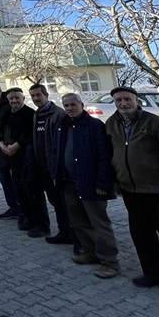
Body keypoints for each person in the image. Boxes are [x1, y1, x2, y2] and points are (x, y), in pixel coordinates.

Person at [106, 86, 159, 303]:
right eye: (118, 100)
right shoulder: (111, 124)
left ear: (136, 100)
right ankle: (154, 274)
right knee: (142, 236)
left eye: (127, 99)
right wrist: (115, 180)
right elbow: (110, 154)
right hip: (130, 191)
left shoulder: (156, 123)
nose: (123, 103)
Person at [52, 93, 120, 279]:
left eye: (73, 104)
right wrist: (56, 174)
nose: (69, 108)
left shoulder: (94, 125)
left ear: (81, 105)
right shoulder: (62, 125)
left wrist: (103, 183)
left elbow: (104, 156)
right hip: (68, 183)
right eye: (66, 105)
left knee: (99, 223)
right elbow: (56, 151)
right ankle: (91, 252)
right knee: (79, 222)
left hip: (90, 183)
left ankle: (110, 262)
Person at [28, 84, 76, 247]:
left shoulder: (58, 114)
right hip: (41, 165)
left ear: (46, 94)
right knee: (53, 200)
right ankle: (54, 229)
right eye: (33, 95)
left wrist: (57, 167)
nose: (36, 98)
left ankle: (67, 233)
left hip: (53, 167)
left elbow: (59, 144)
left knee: (60, 202)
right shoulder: (37, 114)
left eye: (38, 95)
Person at [0, 88, 46, 235]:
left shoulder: (29, 114)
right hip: (13, 159)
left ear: (23, 98)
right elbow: (0, 131)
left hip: (27, 159)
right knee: (19, 190)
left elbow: (28, 134)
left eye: (16, 98)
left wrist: (15, 146)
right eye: (11, 99)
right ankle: (28, 219)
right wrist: (2, 144)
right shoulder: (8, 113)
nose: (14, 101)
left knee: (32, 191)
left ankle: (42, 225)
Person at [0, 82, 22, 221]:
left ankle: (23, 209)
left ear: (0, 90)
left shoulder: (9, 104)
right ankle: (13, 207)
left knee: (18, 182)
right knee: (5, 181)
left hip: (12, 150)